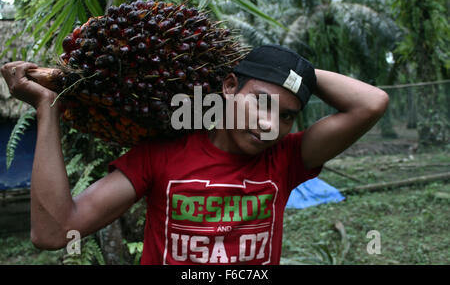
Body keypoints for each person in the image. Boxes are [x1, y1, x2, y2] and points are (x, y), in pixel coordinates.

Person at [0, 44, 389, 265]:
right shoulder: (161, 155)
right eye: (261, 103)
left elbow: (371, 103)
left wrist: (293, 70)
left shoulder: (286, 159)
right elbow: (53, 232)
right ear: (229, 85)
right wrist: (48, 110)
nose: (271, 124)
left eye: (287, 116)